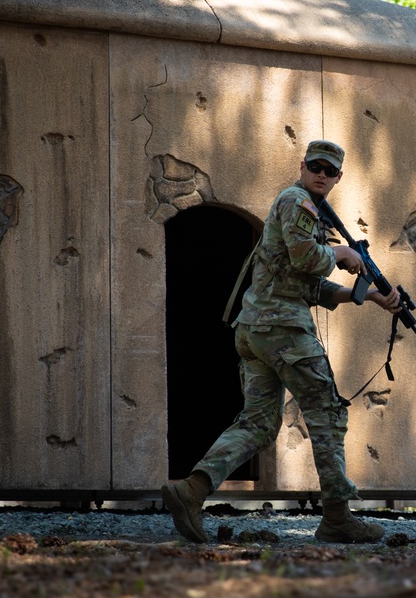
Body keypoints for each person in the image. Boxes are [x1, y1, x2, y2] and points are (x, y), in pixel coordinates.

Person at [161, 139, 402, 544]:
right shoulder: (297, 201)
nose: (321, 174)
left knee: (257, 424)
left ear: (338, 177)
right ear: (303, 166)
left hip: (257, 332)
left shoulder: (309, 212)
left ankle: (192, 490)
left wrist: (372, 295)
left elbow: (311, 288)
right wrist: (342, 253)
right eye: (316, 167)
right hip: (284, 332)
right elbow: (307, 257)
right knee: (327, 412)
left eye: (330, 170)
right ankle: (339, 518)